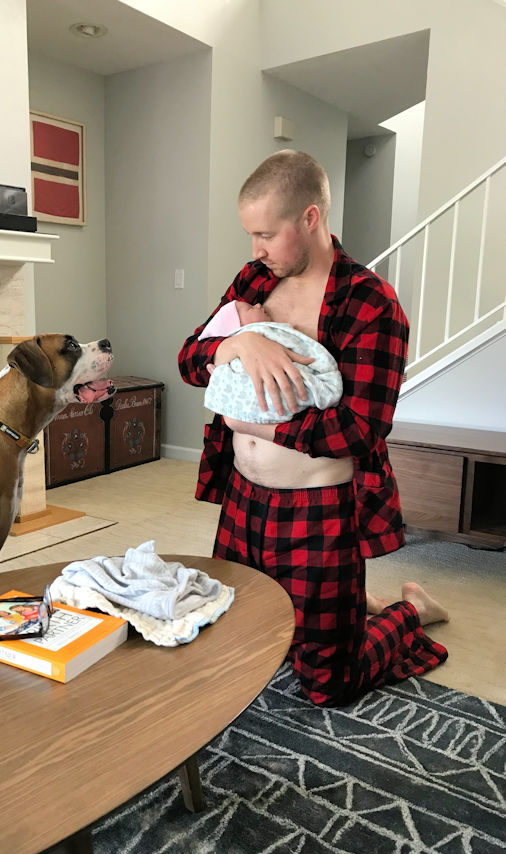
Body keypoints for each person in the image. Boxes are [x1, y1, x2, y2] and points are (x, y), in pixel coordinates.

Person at [178, 149, 449, 707]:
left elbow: (361, 430)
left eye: (265, 234)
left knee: (328, 684)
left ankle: (410, 609)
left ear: (310, 218)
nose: (255, 250)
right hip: (242, 499)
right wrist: (238, 343)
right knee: (238, 640)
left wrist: (257, 426)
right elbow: (189, 358)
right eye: (250, 235)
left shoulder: (371, 304)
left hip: (319, 512)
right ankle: (347, 607)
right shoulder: (254, 282)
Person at [200, 299, 343, 424]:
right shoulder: (256, 331)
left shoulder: (269, 332)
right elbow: (191, 354)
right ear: (239, 325)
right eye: (250, 308)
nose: (258, 305)